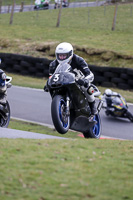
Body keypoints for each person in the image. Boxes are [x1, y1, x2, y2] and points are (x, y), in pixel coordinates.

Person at [47, 42, 97, 116]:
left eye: (64, 56)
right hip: (63, 81)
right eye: (60, 56)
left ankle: (93, 106)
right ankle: (59, 106)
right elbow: (51, 77)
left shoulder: (78, 60)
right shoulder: (53, 64)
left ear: (70, 54)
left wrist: (85, 80)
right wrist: (48, 84)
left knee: (87, 87)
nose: (62, 58)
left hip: (79, 80)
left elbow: (90, 74)